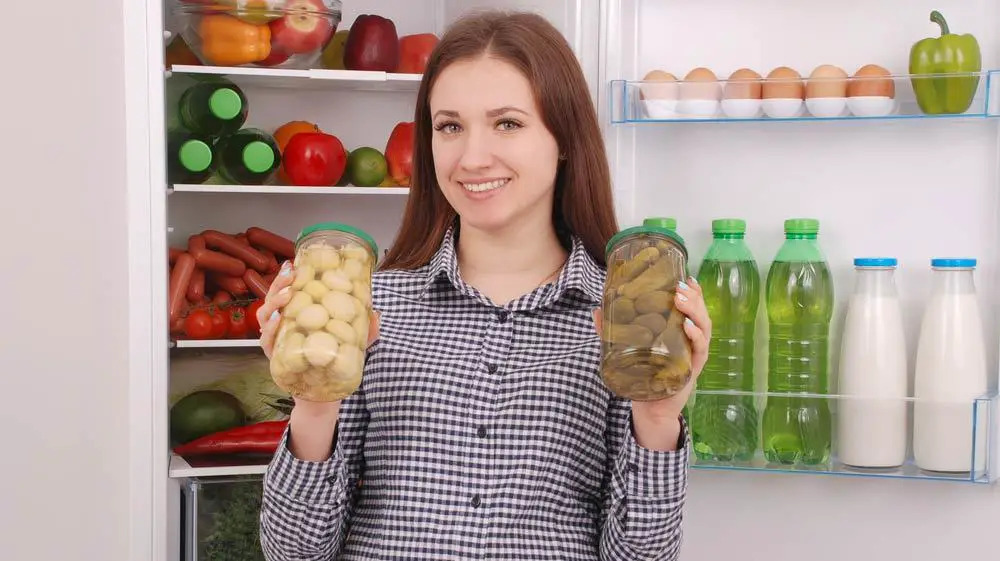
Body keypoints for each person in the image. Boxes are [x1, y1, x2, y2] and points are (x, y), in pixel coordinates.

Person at [255, 9, 711, 561]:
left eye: (508, 124)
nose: (472, 158)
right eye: (450, 126)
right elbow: (294, 553)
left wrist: (659, 418)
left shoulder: (625, 319)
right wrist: (313, 403)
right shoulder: (371, 308)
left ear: (564, 137)